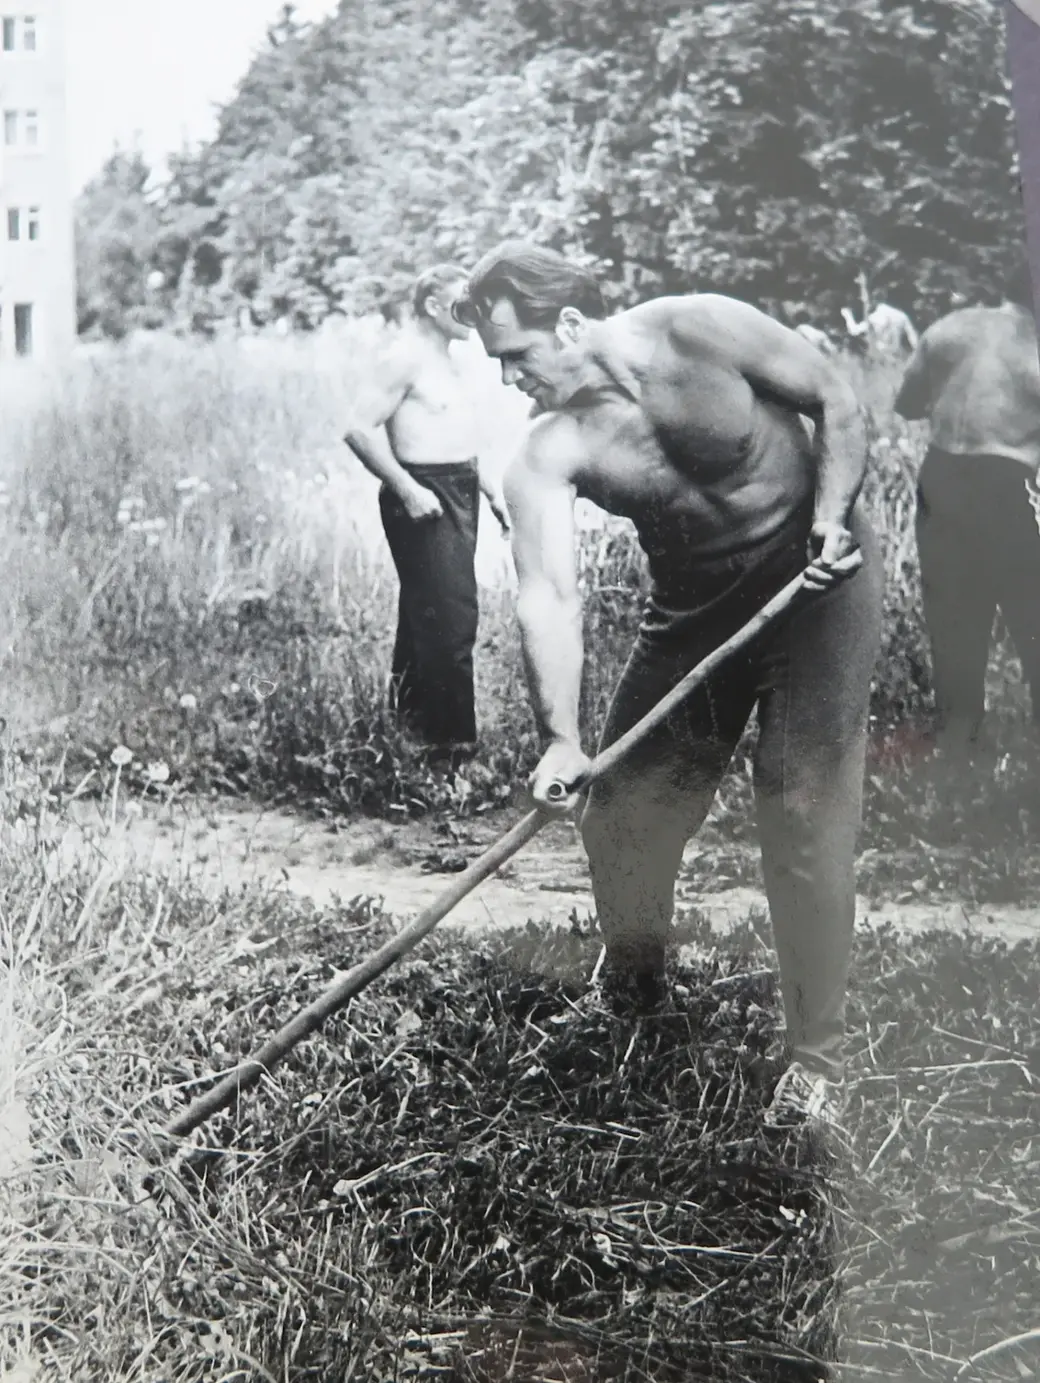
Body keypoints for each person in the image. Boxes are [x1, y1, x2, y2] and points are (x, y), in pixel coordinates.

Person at [454, 241, 883, 1133]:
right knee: (620, 810)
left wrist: (833, 519)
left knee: (801, 809)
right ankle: (637, 992)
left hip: (817, 581)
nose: (509, 380)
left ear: (568, 324)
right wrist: (561, 736)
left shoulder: (702, 328)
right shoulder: (547, 450)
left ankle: (817, 1061)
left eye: (516, 355)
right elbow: (549, 595)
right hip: (696, 609)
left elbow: (837, 398)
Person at [344, 264, 510, 764]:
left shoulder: (452, 359)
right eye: (463, 304)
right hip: (423, 495)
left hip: (460, 487)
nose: (473, 316)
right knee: (452, 616)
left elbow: (458, 436)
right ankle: (452, 751)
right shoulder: (404, 358)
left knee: (427, 613)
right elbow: (357, 428)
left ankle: (410, 735)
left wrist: (490, 489)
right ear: (434, 305)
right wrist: (407, 489)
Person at [893, 262, 1040, 759]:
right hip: (1008, 484)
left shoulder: (951, 328)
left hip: (942, 478)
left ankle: (959, 741)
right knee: (1032, 613)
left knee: (953, 612)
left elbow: (907, 404)